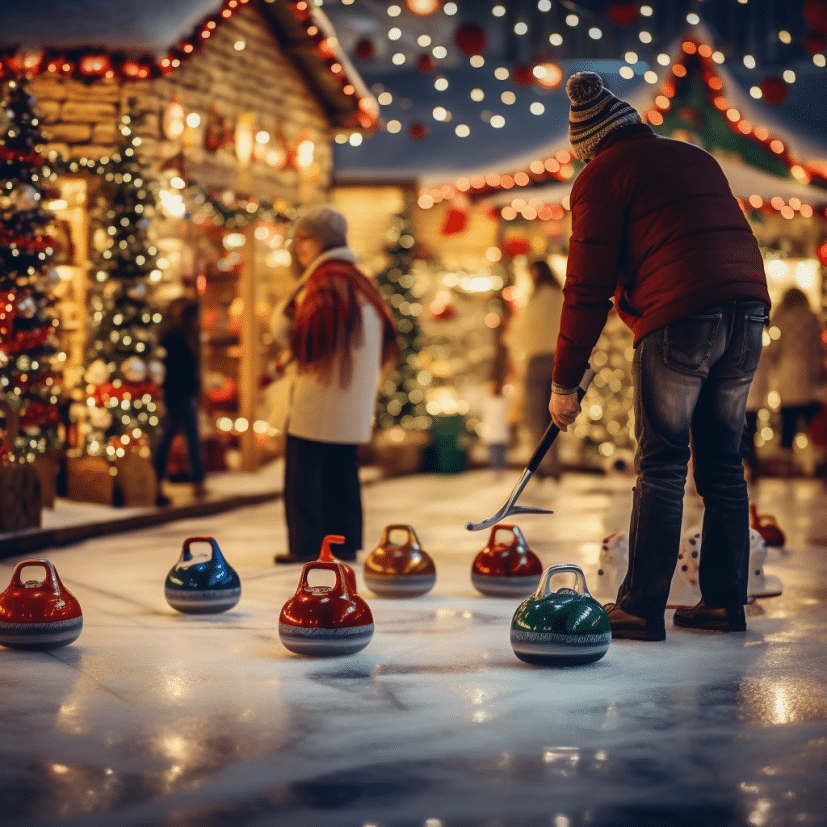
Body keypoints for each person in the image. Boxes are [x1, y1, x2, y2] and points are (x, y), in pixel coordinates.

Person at [549, 72, 770, 640]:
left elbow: (585, 287)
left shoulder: (600, 177)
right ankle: (724, 603)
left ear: (588, 146)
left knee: (663, 463)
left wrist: (563, 383)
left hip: (680, 317)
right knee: (722, 463)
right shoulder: (693, 158)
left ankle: (641, 607)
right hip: (747, 310)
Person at [270, 205, 399, 564]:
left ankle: (306, 545)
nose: (299, 247)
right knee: (342, 472)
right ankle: (344, 543)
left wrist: (285, 332)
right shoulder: (359, 280)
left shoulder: (325, 281)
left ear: (320, 241)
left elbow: (305, 336)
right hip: (349, 399)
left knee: (304, 476)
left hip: (318, 395)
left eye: (303, 238)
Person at [505, 258, 564, 479]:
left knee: (536, 416)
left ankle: (539, 467)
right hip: (559, 361)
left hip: (538, 361)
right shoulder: (560, 297)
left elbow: (518, 332)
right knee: (555, 418)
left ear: (537, 273)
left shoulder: (538, 300)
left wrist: (510, 339)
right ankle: (554, 466)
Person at [765, 287, 827, 475]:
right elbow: (819, 348)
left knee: (788, 423)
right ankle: (817, 466)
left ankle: (787, 468)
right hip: (810, 375)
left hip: (788, 375)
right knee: (813, 424)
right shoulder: (813, 318)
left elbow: (774, 350)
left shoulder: (781, 319)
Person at [153, 297, 206, 506]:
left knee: (189, 436)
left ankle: (198, 478)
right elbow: (173, 368)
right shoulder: (173, 336)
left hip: (184, 394)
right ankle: (158, 479)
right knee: (170, 436)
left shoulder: (189, 335)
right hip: (176, 395)